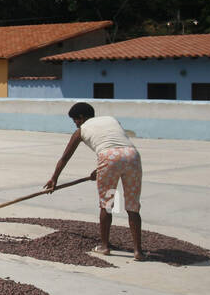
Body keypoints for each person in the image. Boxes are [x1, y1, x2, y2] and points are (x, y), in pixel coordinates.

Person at [44, 102, 145, 261]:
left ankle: (105, 247)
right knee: (133, 206)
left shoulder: (81, 130)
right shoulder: (111, 119)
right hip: (132, 156)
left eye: (75, 120)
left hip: (108, 158)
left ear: (82, 117)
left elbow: (65, 158)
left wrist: (54, 178)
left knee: (108, 204)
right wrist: (100, 170)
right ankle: (138, 251)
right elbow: (115, 143)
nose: (75, 123)